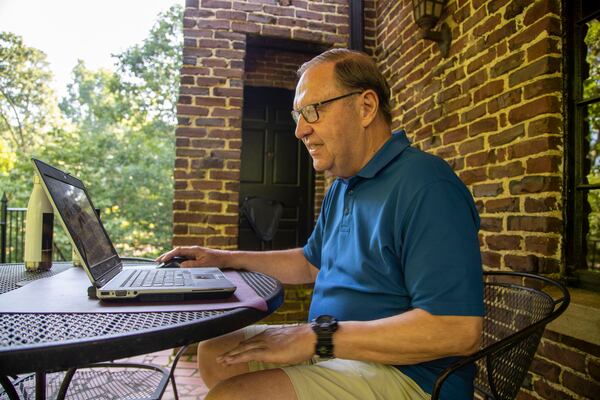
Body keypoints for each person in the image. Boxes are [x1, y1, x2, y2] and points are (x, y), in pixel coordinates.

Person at [157, 48, 484, 400]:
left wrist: (317, 338)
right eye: (298, 114)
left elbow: (458, 330)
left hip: (410, 376)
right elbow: (312, 263)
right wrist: (223, 258)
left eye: (313, 110)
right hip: (337, 349)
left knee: (231, 396)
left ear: (366, 107)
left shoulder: (426, 185)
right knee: (217, 352)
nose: (299, 130)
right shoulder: (343, 184)